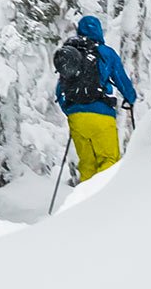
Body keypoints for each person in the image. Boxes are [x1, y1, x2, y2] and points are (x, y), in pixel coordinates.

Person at [55, 14, 137, 184]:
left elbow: (59, 89)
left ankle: (85, 198)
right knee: (108, 160)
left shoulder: (72, 53)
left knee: (87, 165)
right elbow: (122, 80)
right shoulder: (105, 53)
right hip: (101, 115)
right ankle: (105, 198)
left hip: (76, 118)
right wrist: (130, 98)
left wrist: (71, 110)